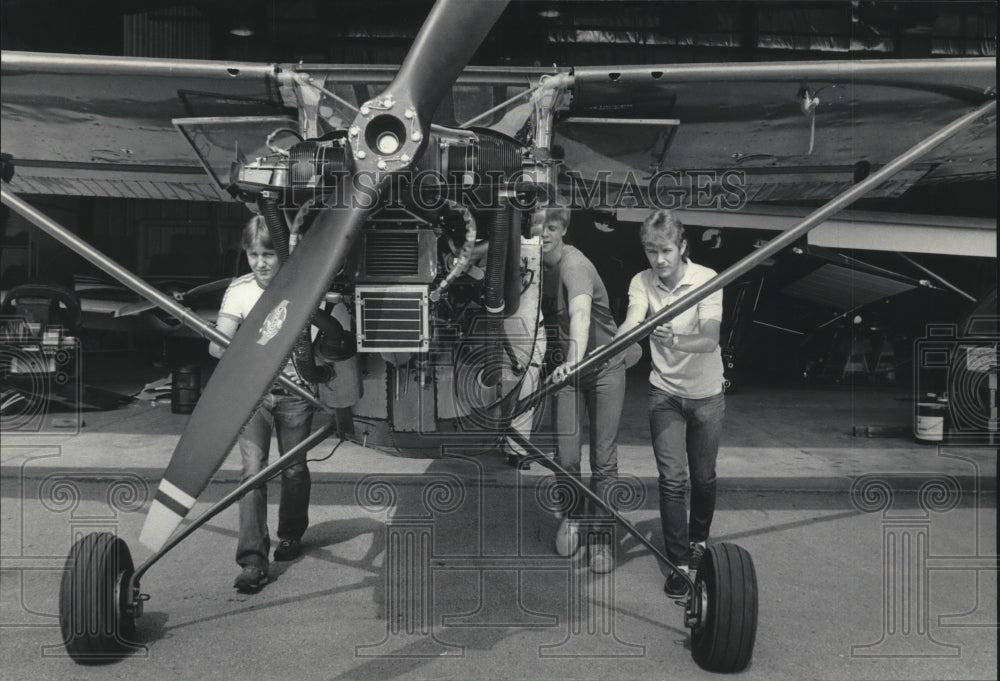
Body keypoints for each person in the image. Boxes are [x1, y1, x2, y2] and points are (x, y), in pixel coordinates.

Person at [615, 209, 725, 598]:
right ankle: (679, 561)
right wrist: (612, 346)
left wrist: (672, 339)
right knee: (673, 479)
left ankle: (699, 542)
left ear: (682, 248)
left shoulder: (707, 280)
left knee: (704, 478)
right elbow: (631, 321)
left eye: (665, 251)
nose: (659, 260)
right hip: (664, 394)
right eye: (650, 251)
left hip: (707, 395)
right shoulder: (642, 282)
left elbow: (709, 339)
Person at [209, 215, 315, 594]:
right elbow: (217, 344)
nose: (261, 263)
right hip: (254, 395)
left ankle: (290, 534)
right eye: (253, 254)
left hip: (296, 395)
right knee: (252, 472)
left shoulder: (307, 288)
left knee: (295, 470)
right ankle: (253, 561)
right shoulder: (239, 291)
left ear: (283, 254)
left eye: (269, 253)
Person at [541, 206, 626, 575]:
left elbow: (580, 315)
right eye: (534, 227)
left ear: (563, 230)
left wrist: (572, 360)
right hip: (570, 369)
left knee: (603, 460)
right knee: (567, 457)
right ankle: (574, 517)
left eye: (551, 227)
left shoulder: (574, 266)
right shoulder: (538, 265)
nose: (542, 234)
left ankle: (602, 539)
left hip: (604, 369)